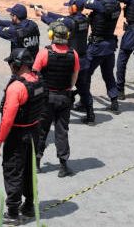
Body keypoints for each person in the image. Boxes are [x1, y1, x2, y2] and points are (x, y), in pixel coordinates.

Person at [0, 48, 47, 225]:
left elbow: (7, 118)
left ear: (17, 65)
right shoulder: (38, 80)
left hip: (18, 135)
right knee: (30, 170)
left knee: (13, 171)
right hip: (34, 131)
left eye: (11, 63)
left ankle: (13, 213)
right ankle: (29, 206)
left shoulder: (16, 87)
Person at [65, 0, 121, 121]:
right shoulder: (115, 3)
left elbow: (85, 2)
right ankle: (114, 100)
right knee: (108, 73)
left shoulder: (101, 5)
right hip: (110, 45)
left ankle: (84, 102)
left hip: (97, 46)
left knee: (85, 74)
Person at [32, 22, 79, 177]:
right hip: (65, 97)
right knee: (62, 132)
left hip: (46, 98)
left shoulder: (44, 53)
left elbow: (35, 74)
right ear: (67, 37)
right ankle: (63, 166)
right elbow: (74, 77)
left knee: (41, 130)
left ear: (52, 36)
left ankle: (37, 162)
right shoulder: (73, 54)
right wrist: (67, 88)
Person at [34, 0, 89, 115]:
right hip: (83, 58)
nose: (68, 8)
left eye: (70, 6)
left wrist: (42, 16)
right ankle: (90, 114)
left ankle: (57, 110)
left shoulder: (70, 22)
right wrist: (47, 12)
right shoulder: (84, 19)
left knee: (61, 85)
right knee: (83, 88)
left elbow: (56, 24)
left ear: (74, 8)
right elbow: (63, 18)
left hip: (71, 58)